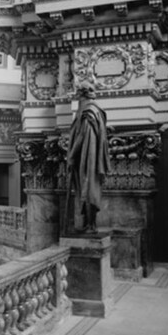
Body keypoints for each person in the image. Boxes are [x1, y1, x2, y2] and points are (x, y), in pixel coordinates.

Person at [66, 84, 110, 233]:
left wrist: (71, 156)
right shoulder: (93, 110)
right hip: (88, 156)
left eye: (78, 95)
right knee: (89, 188)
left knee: (89, 188)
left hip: (88, 156)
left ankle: (90, 225)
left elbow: (82, 135)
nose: (77, 98)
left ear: (81, 95)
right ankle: (88, 224)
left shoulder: (88, 111)